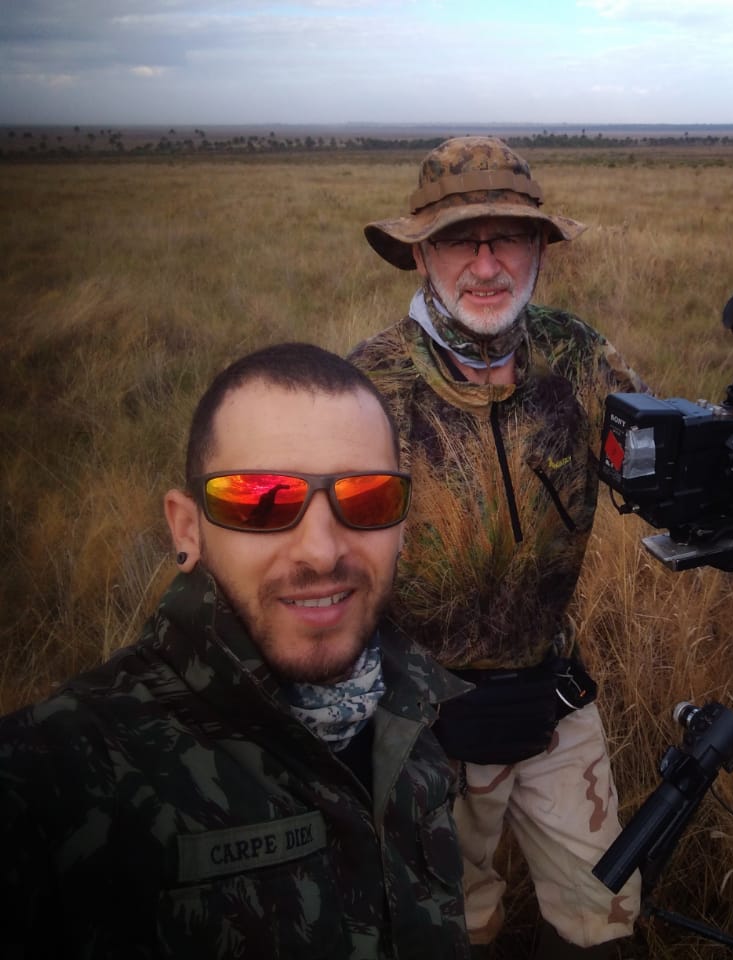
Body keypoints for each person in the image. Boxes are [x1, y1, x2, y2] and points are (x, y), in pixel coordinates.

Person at [0, 342, 472, 959]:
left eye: (367, 497)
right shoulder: (61, 772)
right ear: (186, 528)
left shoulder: (416, 708)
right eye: (260, 501)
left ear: (402, 521)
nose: (322, 552)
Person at [350, 137, 645, 958]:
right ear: (420, 254)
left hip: (551, 696)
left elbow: (660, 462)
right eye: (458, 238)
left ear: (540, 249)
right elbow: (320, 569)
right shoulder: (368, 388)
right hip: (417, 723)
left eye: (507, 236)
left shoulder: (580, 358)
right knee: (453, 923)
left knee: (605, 910)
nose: (486, 263)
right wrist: (409, 707)